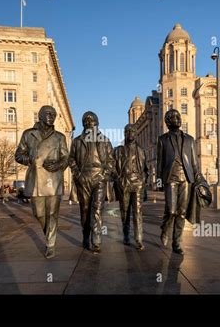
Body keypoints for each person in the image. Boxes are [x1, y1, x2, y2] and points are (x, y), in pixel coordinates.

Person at [15, 105, 69, 259]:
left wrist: (58, 164)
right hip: (36, 179)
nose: (51, 116)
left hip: (54, 178)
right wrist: (31, 160)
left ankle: (50, 244)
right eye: (48, 113)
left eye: (53, 114)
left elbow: (66, 157)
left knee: (52, 213)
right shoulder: (28, 134)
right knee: (38, 213)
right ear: (40, 116)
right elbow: (18, 155)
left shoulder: (59, 137)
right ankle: (49, 234)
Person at [157, 109, 211, 255]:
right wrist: (158, 181)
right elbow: (159, 163)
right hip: (170, 178)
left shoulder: (190, 140)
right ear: (168, 121)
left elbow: (194, 163)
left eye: (178, 117)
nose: (178, 119)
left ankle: (176, 243)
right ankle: (164, 228)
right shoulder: (162, 140)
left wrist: (199, 179)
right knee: (171, 210)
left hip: (186, 179)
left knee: (181, 212)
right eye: (174, 117)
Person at [69, 111, 114, 254]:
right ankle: (85, 235)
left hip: (99, 177)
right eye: (86, 121)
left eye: (92, 120)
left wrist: (104, 174)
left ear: (97, 122)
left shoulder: (105, 140)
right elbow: (71, 159)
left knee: (97, 209)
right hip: (84, 178)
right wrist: (77, 173)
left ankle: (96, 240)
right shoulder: (76, 141)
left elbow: (110, 161)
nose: (89, 123)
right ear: (83, 123)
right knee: (85, 210)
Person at [113, 124, 148, 251]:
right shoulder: (118, 150)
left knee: (137, 211)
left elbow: (145, 170)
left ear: (136, 134)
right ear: (124, 134)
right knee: (125, 211)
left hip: (137, 183)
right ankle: (126, 235)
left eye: (132, 131)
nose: (130, 133)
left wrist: (143, 181)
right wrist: (118, 179)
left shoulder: (141, 150)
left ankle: (138, 238)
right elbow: (112, 167)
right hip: (124, 183)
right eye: (127, 131)